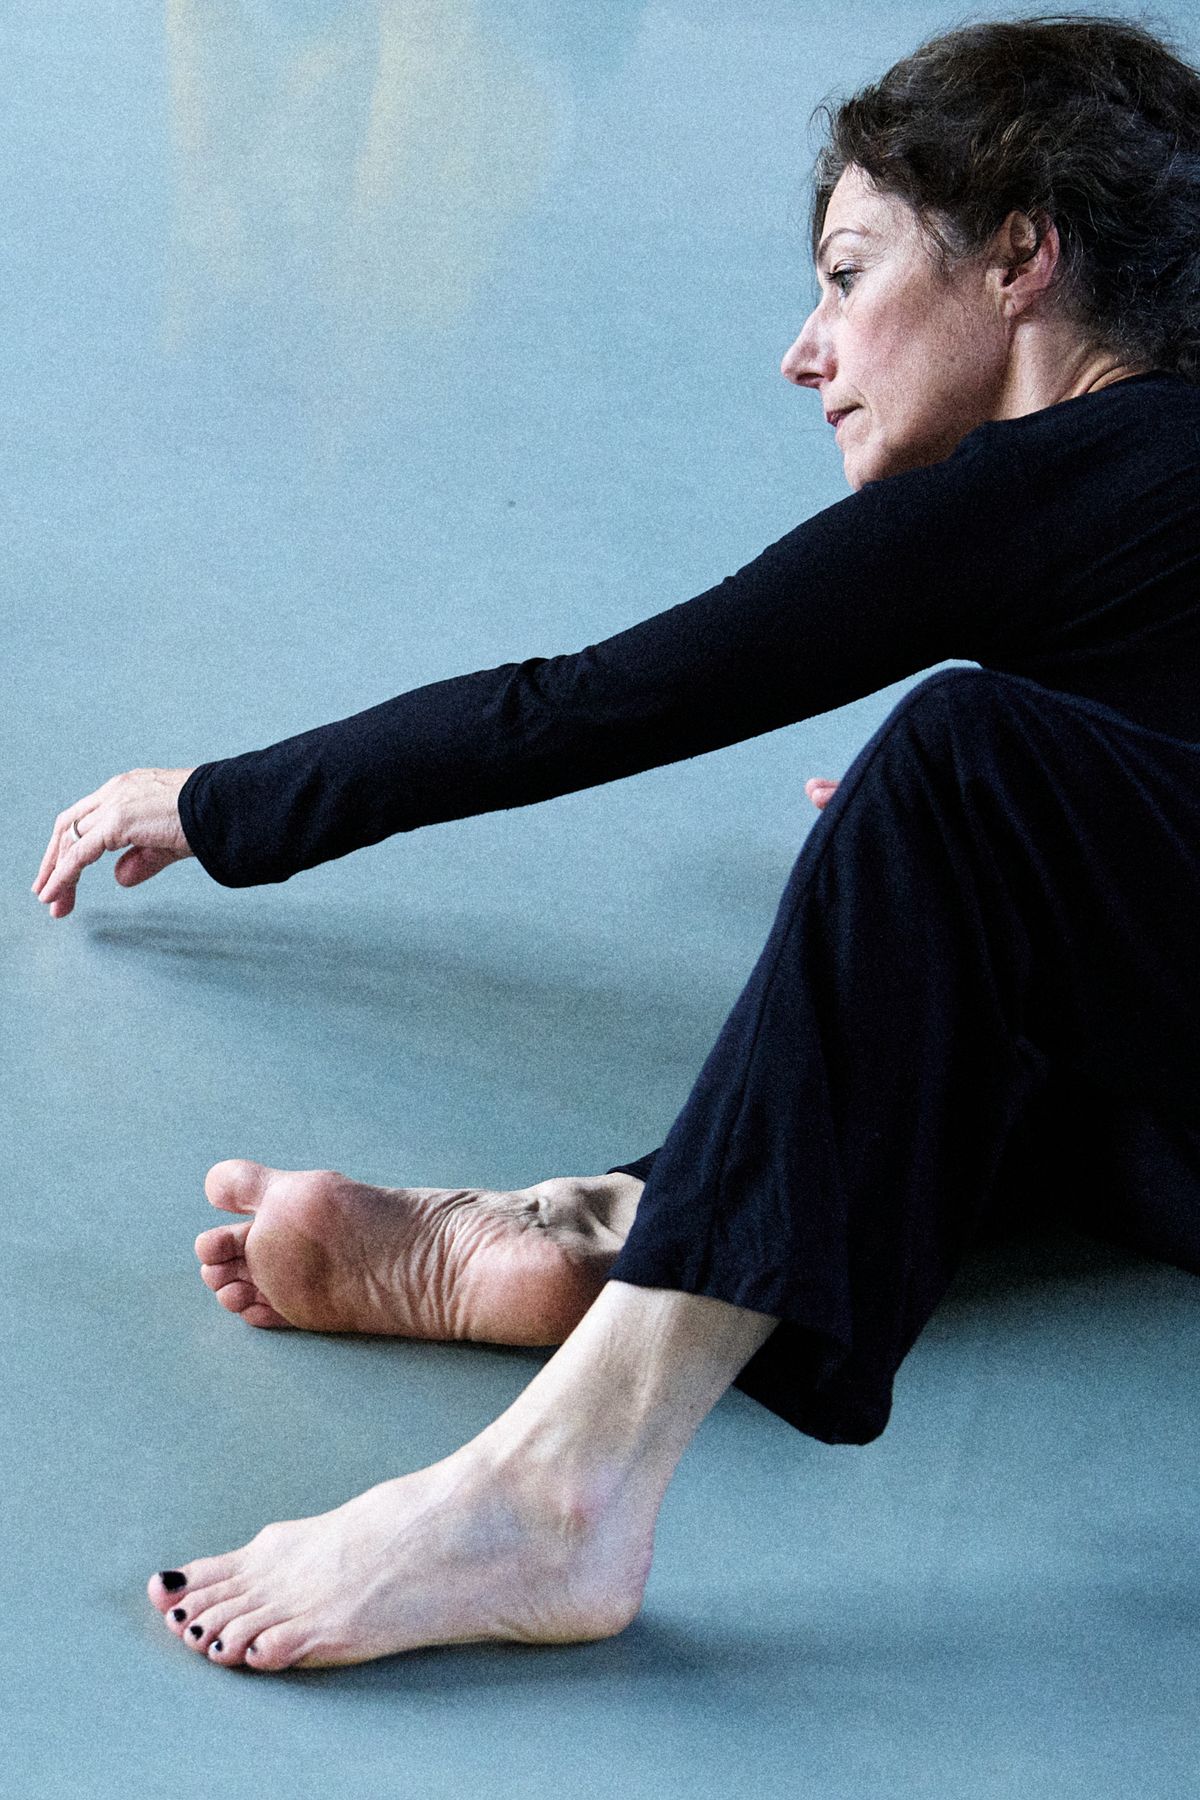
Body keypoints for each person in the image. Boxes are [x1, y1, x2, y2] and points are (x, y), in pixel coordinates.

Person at [32, 13, 1200, 1671]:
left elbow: (596, 702)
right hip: (1163, 1136)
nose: (809, 351)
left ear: (1020, 256)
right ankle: (583, 1228)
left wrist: (221, 802)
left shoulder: (1117, 450)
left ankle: (563, 1488)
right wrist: (980, 860)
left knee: (954, 756)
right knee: (949, 850)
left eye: (850, 276)